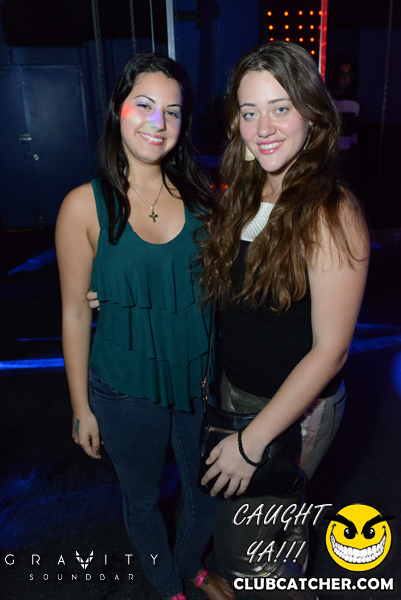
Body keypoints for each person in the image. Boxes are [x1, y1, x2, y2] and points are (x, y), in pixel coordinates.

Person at [55, 52, 233, 600]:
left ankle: (191, 565)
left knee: (206, 493)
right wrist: (81, 407)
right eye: (144, 105)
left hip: (197, 382)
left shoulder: (204, 197)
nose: (159, 122)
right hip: (123, 386)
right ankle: (166, 583)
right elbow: (74, 311)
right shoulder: (84, 206)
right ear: (118, 110)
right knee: (142, 499)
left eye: (173, 111)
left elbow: (220, 292)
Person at [198, 41, 370, 599]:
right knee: (277, 537)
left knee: (244, 554)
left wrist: (251, 443)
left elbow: (331, 351)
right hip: (239, 391)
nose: (263, 127)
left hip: (294, 411)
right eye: (249, 112)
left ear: (313, 115)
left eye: (280, 107)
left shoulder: (330, 210)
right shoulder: (249, 192)